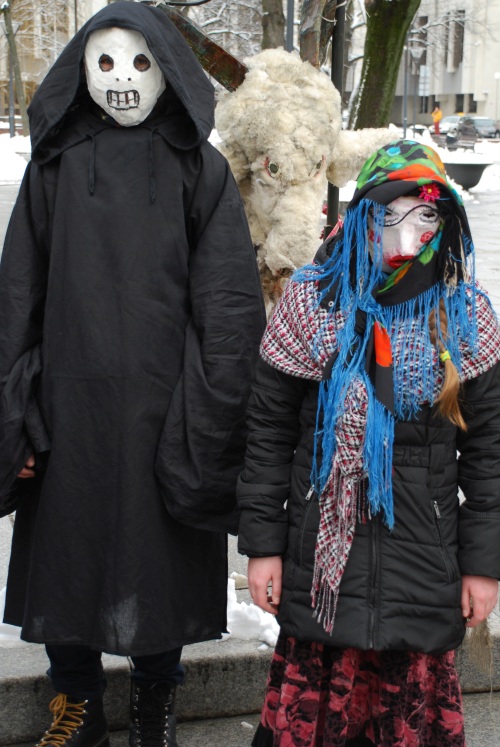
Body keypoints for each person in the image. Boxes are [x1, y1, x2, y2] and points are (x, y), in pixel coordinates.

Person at [0, 3, 265, 746]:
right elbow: (18, 294)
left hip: (167, 401)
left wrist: (212, 407)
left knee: (162, 554)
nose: (122, 78)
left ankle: (156, 703)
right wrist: (16, 410)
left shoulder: (200, 169)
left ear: (167, 70)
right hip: (69, 404)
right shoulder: (53, 168)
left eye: (141, 61)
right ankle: (76, 702)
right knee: (68, 552)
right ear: (83, 69)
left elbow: (229, 302)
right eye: (107, 61)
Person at [237, 139, 500, 746]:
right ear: (363, 215)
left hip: (423, 572)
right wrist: (263, 547)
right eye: (391, 213)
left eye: (426, 214)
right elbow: (268, 434)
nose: (408, 232)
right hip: (320, 577)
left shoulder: (462, 318)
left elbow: (489, 454)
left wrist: (483, 566)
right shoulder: (312, 305)